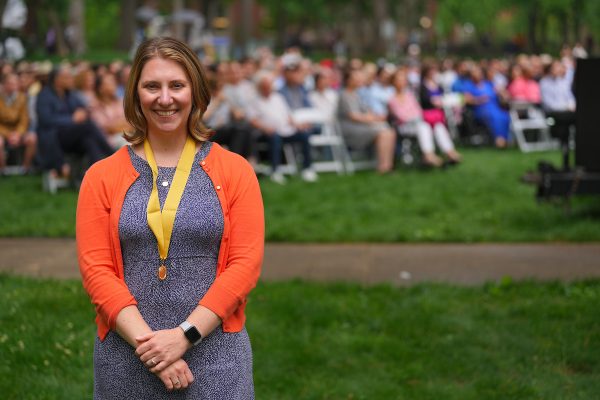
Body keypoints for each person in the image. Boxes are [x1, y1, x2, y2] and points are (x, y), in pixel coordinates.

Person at [77, 37, 264, 398]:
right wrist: (155, 350)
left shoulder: (235, 171)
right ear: (136, 94)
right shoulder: (100, 176)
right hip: (126, 358)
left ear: (195, 91)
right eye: (152, 86)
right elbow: (97, 272)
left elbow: (244, 266)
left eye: (177, 85)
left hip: (216, 360)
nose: (165, 99)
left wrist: (184, 337)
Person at [36, 64, 113, 179]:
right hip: (55, 138)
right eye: (67, 77)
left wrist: (82, 113)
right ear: (57, 80)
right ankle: (112, 154)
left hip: (72, 135)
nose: (71, 80)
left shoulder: (70, 94)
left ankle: (99, 177)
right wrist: (71, 119)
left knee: (89, 141)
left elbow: (83, 109)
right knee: (88, 126)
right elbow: (46, 120)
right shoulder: (44, 96)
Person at [248, 70, 318, 184]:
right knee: (275, 138)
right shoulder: (254, 100)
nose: (268, 88)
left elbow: (288, 115)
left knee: (305, 135)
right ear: (260, 86)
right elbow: (253, 120)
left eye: (269, 85)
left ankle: (307, 168)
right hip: (266, 133)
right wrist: (265, 128)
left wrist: (297, 125)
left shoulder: (278, 97)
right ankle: (275, 170)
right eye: (265, 85)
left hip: (286, 130)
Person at [389, 68, 461, 167]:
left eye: (403, 80)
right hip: (405, 126)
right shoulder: (391, 97)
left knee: (438, 126)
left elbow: (417, 109)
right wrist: (414, 117)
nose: (402, 82)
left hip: (417, 122)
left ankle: (450, 152)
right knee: (424, 127)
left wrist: (415, 116)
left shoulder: (409, 95)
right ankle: (428, 155)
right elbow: (400, 115)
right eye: (399, 80)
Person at [337, 68, 396, 173]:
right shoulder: (344, 95)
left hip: (362, 126)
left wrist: (376, 117)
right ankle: (383, 166)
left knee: (389, 131)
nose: (360, 80)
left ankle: (387, 165)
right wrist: (372, 119)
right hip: (350, 129)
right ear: (348, 80)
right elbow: (353, 116)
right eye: (357, 78)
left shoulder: (357, 95)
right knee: (384, 132)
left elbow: (367, 111)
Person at [462, 65, 511, 148]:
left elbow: (500, 91)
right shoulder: (468, 85)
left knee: (504, 116)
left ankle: (505, 139)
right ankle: (499, 139)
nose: (477, 75)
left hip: (494, 107)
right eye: (475, 73)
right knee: (493, 116)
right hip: (480, 109)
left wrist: (503, 94)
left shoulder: (489, 84)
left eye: (479, 73)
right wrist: (480, 100)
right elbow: (467, 100)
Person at [0, 72, 37, 173]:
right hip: (2, 132)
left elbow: (24, 119)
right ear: (3, 85)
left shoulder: (23, 98)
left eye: (15, 83)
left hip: (18, 131)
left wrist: (17, 134)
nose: (13, 86)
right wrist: (8, 135)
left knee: (32, 139)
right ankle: (2, 170)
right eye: (10, 83)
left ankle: (25, 168)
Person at [91, 73, 131, 149]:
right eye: (110, 83)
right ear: (100, 89)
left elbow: (131, 123)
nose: (114, 85)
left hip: (126, 135)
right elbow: (106, 128)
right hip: (110, 141)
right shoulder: (95, 106)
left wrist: (118, 125)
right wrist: (122, 125)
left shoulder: (121, 102)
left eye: (114, 82)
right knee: (129, 145)